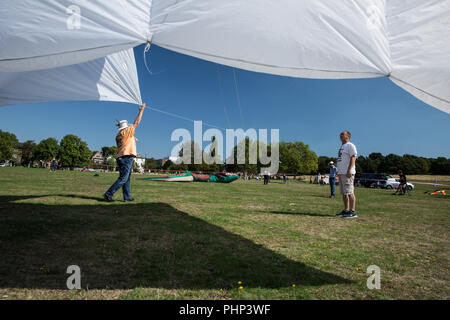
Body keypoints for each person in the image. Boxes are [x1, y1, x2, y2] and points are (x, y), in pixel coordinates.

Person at [104, 103, 146, 202]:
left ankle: (127, 197)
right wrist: (141, 110)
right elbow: (136, 123)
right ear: (126, 126)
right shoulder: (127, 131)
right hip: (126, 158)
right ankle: (108, 194)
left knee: (127, 179)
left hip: (120, 157)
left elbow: (125, 141)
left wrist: (133, 138)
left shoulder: (119, 134)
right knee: (123, 179)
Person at [336, 130, 358, 218]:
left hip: (347, 173)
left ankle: (352, 211)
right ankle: (346, 210)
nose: (340, 135)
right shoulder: (342, 147)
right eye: (340, 134)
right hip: (341, 173)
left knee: (350, 192)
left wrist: (349, 170)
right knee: (344, 193)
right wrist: (338, 171)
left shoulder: (350, 145)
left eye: (342, 134)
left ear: (348, 136)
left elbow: (353, 157)